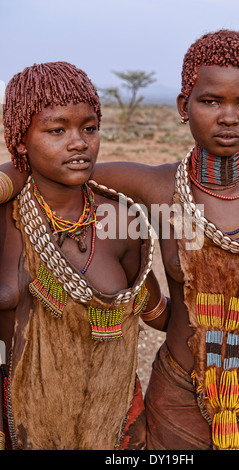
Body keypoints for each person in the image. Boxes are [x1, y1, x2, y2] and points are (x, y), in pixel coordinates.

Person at [1, 30, 239, 450]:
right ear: (184, 106)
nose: (229, 117)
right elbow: (51, 163)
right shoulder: (158, 186)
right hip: (181, 396)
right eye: (211, 101)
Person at [0, 61, 170, 450]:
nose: (79, 142)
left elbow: (156, 310)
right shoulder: (5, 219)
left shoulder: (122, 220)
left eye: (89, 128)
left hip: (110, 421)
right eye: (56, 130)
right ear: (21, 139)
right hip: (17, 423)